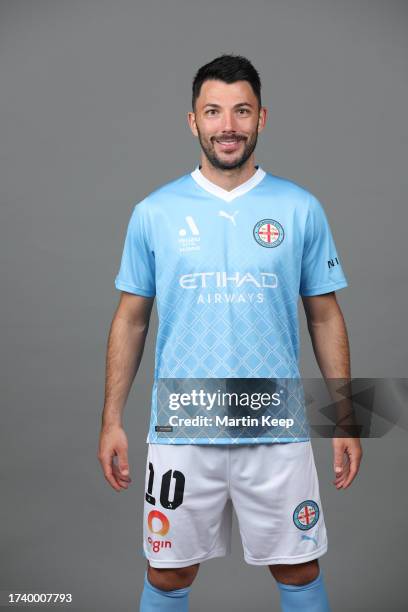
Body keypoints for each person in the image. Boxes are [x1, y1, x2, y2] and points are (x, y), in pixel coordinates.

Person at [98, 54, 363, 612]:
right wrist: (112, 421)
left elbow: (324, 314)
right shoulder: (154, 211)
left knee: (299, 569)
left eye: (241, 111)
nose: (228, 125)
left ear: (261, 118)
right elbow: (131, 317)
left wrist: (347, 415)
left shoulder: (299, 207)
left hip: (274, 421)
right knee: (168, 576)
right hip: (182, 425)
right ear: (192, 122)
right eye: (213, 111)